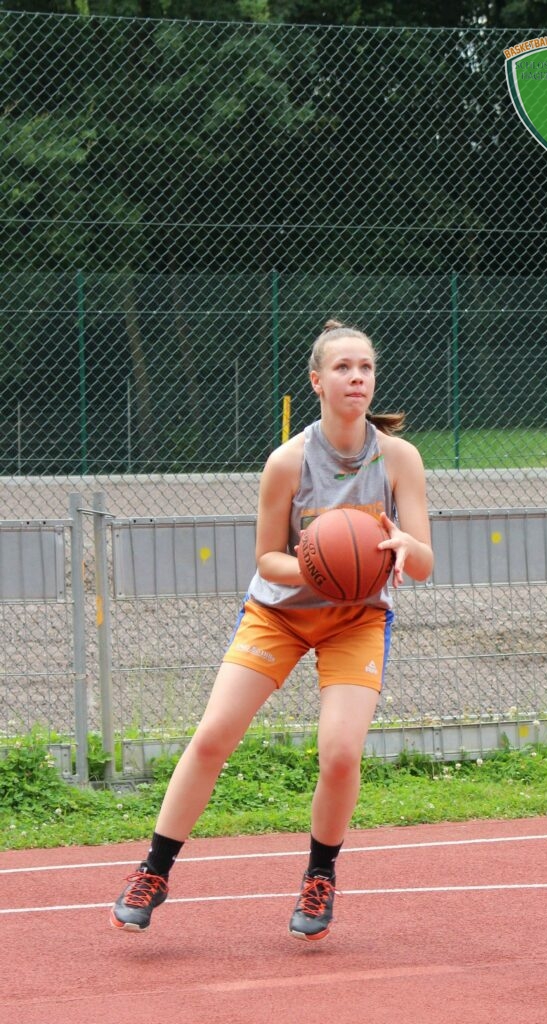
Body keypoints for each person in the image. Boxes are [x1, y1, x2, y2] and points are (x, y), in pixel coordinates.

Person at [110, 319, 433, 941]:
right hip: (280, 613)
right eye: (342, 368)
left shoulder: (399, 459)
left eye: (365, 367)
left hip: (356, 618)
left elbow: (423, 563)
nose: (356, 378)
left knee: (341, 754)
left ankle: (320, 876)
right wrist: (321, 562)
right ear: (316, 381)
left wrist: (402, 547)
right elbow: (266, 559)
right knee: (213, 737)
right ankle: (154, 870)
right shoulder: (288, 461)